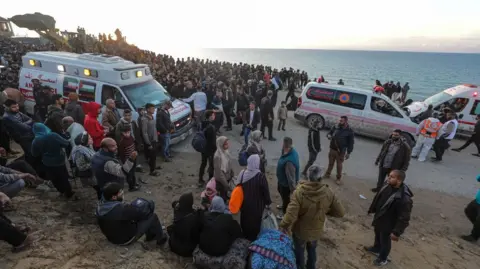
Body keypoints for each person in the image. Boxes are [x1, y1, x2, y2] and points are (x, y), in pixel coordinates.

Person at [279, 165, 345, 269]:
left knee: (299, 252)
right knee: (312, 251)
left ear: (308, 177)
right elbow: (340, 212)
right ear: (320, 178)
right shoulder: (328, 192)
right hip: (316, 230)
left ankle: (300, 267)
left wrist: (283, 225)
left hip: (300, 231)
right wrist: (325, 211)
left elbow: (290, 215)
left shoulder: (299, 192)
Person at [96, 182, 167, 246]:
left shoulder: (100, 206)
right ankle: (159, 238)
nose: (123, 194)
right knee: (152, 216)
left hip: (111, 237)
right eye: (121, 193)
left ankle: (151, 235)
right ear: (114, 197)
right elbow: (140, 215)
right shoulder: (121, 209)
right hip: (125, 240)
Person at [366, 170, 413, 267]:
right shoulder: (387, 185)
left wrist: (396, 232)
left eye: (392, 177)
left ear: (399, 180)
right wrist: (372, 209)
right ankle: (376, 248)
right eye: (389, 176)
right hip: (380, 217)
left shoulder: (404, 199)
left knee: (385, 240)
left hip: (389, 223)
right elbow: (378, 197)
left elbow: (404, 218)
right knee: (377, 233)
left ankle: (383, 258)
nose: (388, 178)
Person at [31, 123, 75, 199]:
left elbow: (34, 154)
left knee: (54, 178)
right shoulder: (53, 135)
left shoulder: (36, 141)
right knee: (63, 176)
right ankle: (68, 192)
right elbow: (66, 143)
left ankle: (61, 191)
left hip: (47, 162)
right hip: (59, 160)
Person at [237, 154, 272, 241]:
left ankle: (245, 238)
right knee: (255, 226)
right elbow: (265, 192)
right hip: (257, 207)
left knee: (245, 223)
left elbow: (237, 187)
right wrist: (268, 203)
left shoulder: (242, 174)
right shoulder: (261, 176)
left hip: (244, 206)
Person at [168, 192, 203, 257]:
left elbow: (174, 203)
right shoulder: (194, 217)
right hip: (186, 251)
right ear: (191, 203)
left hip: (172, 245)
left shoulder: (177, 210)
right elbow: (196, 235)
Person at [2, 99, 35, 165]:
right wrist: (27, 123)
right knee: (30, 153)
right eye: (14, 107)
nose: (17, 108)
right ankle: (31, 166)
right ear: (7, 108)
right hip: (21, 137)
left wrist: (25, 123)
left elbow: (30, 119)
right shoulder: (7, 117)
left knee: (32, 151)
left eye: (17, 106)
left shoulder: (17, 112)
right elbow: (26, 128)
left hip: (27, 134)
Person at [325, 116, 354, 185]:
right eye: (340, 120)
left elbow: (351, 143)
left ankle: (338, 178)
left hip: (341, 152)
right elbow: (329, 133)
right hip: (332, 149)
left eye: (342, 121)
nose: (340, 122)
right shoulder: (335, 127)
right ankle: (327, 174)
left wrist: (348, 153)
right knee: (330, 163)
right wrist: (328, 135)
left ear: (346, 122)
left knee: (339, 166)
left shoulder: (349, 131)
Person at [70, 132, 100, 199]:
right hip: (89, 175)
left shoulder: (88, 147)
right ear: (84, 141)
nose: (91, 138)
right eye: (89, 138)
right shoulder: (79, 152)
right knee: (99, 188)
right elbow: (81, 167)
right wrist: (95, 163)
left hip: (93, 173)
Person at [276, 137, 300, 219]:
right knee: (280, 191)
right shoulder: (287, 152)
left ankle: (285, 214)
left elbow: (291, 178)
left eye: (284, 145)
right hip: (282, 181)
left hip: (286, 184)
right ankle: (284, 204)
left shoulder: (289, 161)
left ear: (288, 146)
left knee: (286, 198)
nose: (283, 146)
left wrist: (293, 189)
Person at [117, 125, 141, 192]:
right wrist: (125, 163)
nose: (127, 134)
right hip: (128, 161)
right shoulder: (122, 142)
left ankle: (134, 183)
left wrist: (136, 151)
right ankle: (131, 187)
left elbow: (134, 145)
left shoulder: (131, 137)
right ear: (122, 133)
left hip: (134, 158)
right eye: (125, 133)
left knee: (133, 172)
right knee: (129, 174)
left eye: (128, 132)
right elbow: (122, 155)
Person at [141, 103, 160, 176]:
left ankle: (154, 167)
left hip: (154, 139)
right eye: (152, 108)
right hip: (150, 141)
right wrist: (148, 143)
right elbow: (144, 132)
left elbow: (154, 128)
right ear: (148, 109)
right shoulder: (144, 119)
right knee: (151, 156)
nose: (154, 110)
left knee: (154, 155)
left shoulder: (152, 116)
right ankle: (152, 171)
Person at [199, 110, 217, 185]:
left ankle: (200, 178)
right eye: (213, 115)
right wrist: (215, 149)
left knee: (203, 163)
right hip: (210, 150)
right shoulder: (211, 127)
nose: (214, 116)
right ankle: (210, 179)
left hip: (203, 148)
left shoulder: (202, 124)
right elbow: (213, 141)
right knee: (211, 165)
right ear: (210, 117)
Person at [213, 136, 234, 201]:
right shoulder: (217, 156)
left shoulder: (226, 152)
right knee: (222, 196)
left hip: (227, 177)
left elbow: (229, 163)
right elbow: (218, 173)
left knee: (226, 193)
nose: (227, 145)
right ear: (221, 144)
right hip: (221, 181)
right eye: (225, 143)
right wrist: (226, 184)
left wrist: (231, 172)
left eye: (227, 143)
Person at [461, 174, 480, 242]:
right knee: (469, 211)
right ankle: (477, 230)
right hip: (478, 200)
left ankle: (474, 237)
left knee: (479, 220)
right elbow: (478, 178)